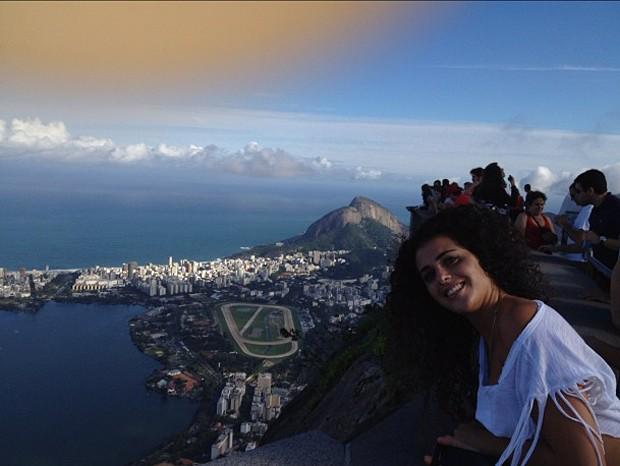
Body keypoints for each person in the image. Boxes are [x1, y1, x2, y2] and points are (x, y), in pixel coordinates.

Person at [388, 205, 620, 466]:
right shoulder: (486, 334)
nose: (441, 277)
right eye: (429, 275)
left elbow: (583, 462)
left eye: (451, 260)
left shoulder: (531, 334)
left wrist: (486, 444)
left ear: (482, 257)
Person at [573, 169, 620, 271]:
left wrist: (600, 240)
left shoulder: (616, 208)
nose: (576, 195)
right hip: (599, 271)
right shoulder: (595, 210)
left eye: (578, 191)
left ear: (590, 191)